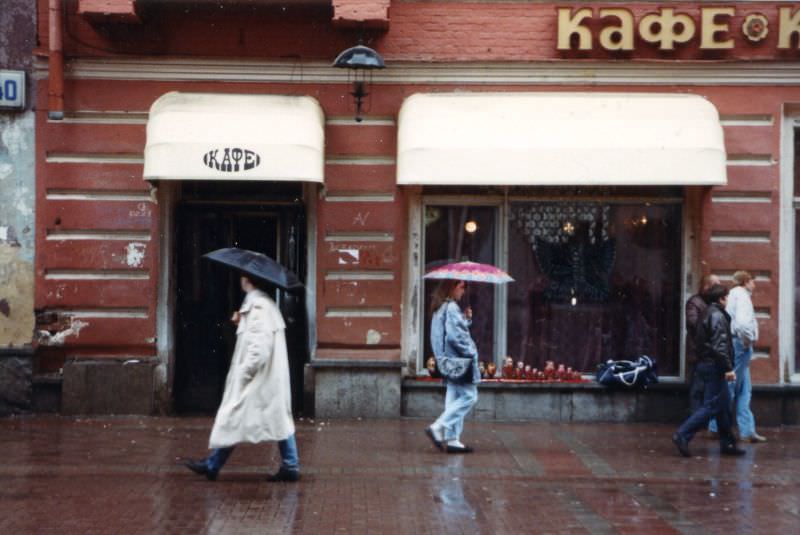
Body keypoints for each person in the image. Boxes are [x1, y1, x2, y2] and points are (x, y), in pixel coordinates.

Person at [184, 274, 300, 482]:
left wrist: (244, 374)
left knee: (236, 417)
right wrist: (242, 322)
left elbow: (259, 348)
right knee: (275, 418)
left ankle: (213, 465)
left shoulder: (258, 307)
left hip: (258, 379)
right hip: (264, 379)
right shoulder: (261, 305)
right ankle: (290, 465)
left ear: (247, 280)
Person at [672, 284, 745, 457]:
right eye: (727, 297)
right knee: (713, 405)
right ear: (721, 299)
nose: (729, 300)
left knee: (724, 405)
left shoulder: (707, 312)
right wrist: (728, 368)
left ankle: (728, 444)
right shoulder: (717, 316)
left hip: (706, 364)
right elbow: (719, 345)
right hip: (715, 366)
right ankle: (682, 434)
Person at [709, 271, 767, 443]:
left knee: (743, 389)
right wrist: (748, 341)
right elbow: (742, 324)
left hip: (735, 343)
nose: (754, 284)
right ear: (745, 282)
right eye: (752, 281)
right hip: (740, 344)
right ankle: (718, 426)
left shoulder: (733, 294)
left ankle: (746, 430)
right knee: (732, 386)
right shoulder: (742, 296)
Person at [424, 279, 480, 454]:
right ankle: (438, 427)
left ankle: (452, 439)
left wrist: (466, 320)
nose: (464, 291)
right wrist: (472, 351)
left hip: (447, 361)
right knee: (470, 396)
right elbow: (455, 337)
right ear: (452, 287)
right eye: (462, 287)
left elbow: (447, 333)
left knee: (454, 397)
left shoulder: (441, 307)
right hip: (458, 362)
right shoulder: (451, 308)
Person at [685, 274, 720, 412]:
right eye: (716, 285)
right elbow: (693, 323)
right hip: (697, 354)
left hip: (708, 354)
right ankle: (695, 419)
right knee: (697, 390)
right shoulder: (694, 302)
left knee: (706, 391)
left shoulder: (711, 303)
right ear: (707, 286)